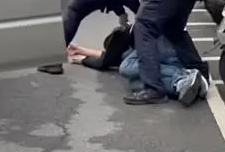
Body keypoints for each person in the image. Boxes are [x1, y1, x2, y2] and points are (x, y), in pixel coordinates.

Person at [68, 38, 206, 106]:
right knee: (136, 84)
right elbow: (106, 57)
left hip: (168, 50)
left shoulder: (133, 44)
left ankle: (181, 77)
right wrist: (80, 52)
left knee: (127, 68)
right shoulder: (127, 46)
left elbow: (106, 60)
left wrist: (82, 59)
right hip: (166, 53)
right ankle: (183, 84)